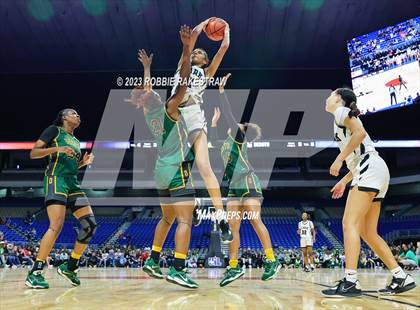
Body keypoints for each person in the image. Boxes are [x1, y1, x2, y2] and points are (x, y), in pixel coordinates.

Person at [321, 88, 416, 297]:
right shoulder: (341, 117)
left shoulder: (340, 112)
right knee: (368, 232)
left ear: (339, 99)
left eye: (331, 94)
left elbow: (360, 134)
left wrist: (338, 159)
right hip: (376, 170)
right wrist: (344, 181)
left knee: (349, 223)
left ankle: (351, 281)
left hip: (370, 168)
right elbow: (358, 154)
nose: (327, 97)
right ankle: (401, 276)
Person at [130, 25, 198, 288]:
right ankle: (179, 269)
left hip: (160, 171)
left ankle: (152, 260)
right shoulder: (169, 107)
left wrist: (147, 68)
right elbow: (183, 79)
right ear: (148, 98)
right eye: (149, 90)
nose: (152, 89)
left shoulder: (149, 111)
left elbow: (146, 90)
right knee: (184, 220)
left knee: (167, 218)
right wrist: (186, 48)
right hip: (176, 167)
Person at [209, 73, 281, 287]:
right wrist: (213, 124)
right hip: (233, 187)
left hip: (248, 182)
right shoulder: (225, 143)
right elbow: (213, 141)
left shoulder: (239, 140)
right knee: (233, 227)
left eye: (239, 124)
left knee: (254, 219)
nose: (234, 124)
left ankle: (271, 260)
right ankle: (233, 266)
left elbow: (230, 115)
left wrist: (222, 93)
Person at [170, 19, 232, 242]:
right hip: (174, 115)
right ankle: (194, 203)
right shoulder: (182, 64)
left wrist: (225, 30)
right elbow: (194, 34)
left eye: (199, 53)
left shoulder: (206, 73)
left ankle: (221, 216)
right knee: (180, 170)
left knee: (205, 167)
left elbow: (223, 48)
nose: (195, 53)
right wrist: (206, 22)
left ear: (205, 61)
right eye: (194, 51)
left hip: (194, 115)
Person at [25, 108, 96, 289]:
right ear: (63, 117)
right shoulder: (54, 130)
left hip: (72, 183)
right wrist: (58, 148)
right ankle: (35, 271)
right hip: (56, 179)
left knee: (90, 225)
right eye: (73, 113)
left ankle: (70, 266)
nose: (77, 116)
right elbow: (33, 153)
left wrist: (82, 163)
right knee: (56, 225)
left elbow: (70, 166)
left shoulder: (76, 141)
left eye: (79, 114)